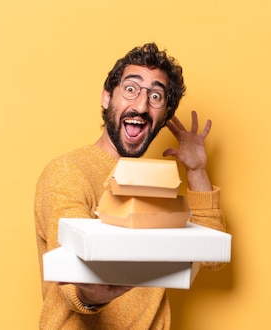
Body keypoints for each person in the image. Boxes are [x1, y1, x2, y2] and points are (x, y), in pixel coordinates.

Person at [34, 42, 227, 329]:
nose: (141, 105)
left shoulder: (154, 183)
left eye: (156, 96)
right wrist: (92, 293)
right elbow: (71, 270)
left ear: (164, 117)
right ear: (106, 97)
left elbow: (212, 255)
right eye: (131, 89)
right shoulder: (68, 171)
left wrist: (196, 171)